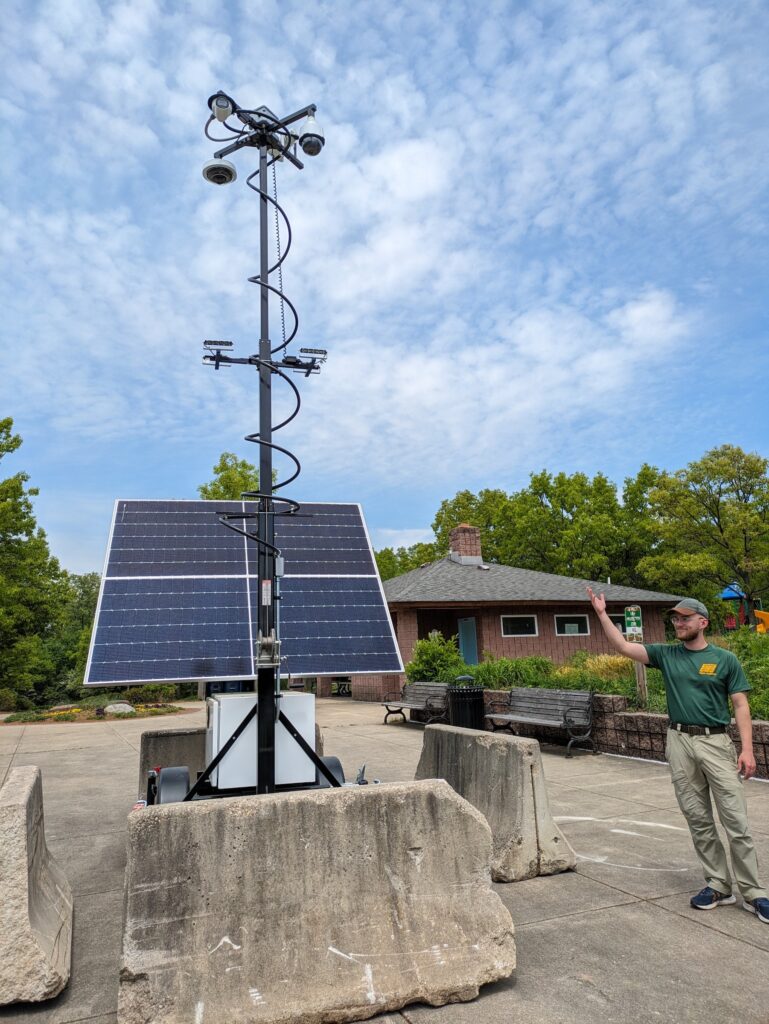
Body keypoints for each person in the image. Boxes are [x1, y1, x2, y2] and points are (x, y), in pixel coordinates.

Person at [586, 588, 769, 924]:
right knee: (697, 818)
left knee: (736, 820)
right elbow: (624, 647)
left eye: (685, 618)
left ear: (703, 621)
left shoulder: (725, 660)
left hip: (715, 742)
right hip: (679, 740)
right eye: (675, 618)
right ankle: (718, 885)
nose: (678, 623)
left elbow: (741, 704)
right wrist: (601, 614)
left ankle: (754, 892)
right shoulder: (667, 655)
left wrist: (746, 749)